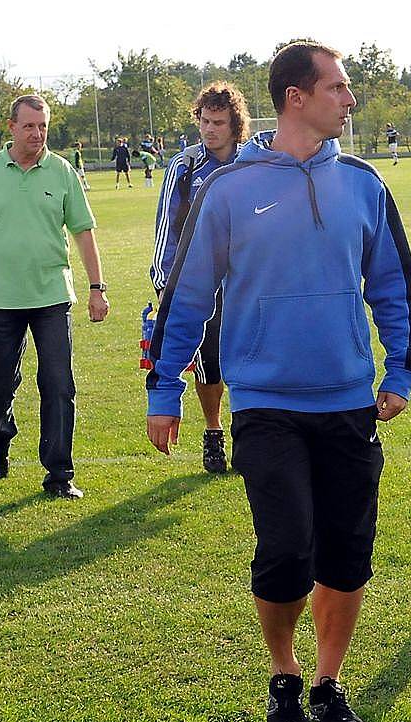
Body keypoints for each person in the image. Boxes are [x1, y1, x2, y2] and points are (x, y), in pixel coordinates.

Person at [146, 42, 411, 722]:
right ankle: (284, 676)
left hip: (349, 403)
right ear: (296, 97)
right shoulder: (229, 188)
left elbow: (393, 287)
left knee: (347, 553)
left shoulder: (362, 184)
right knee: (286, 549)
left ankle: (328, 684)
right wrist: (164, 386)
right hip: (265, 403)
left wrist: (399, 373)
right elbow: (188, 294)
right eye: (339, 87)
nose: (350, 100)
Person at [0, 94, 110, 499]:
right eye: (29, 126)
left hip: (52, 296)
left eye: (42, 126)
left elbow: (83, 232)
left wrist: (97, 288)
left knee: (59, 384)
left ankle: (59, 474)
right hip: (2, 299)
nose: (37, 133)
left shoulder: (61, 172)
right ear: (11, 127)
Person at [150, 82, 251, 473]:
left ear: (234, 125)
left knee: (246, 360)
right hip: (199, 286)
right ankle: (214, 432)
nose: (209, 130)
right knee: (208, 363)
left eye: (218, 122)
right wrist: (165, 284)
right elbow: (167, 228)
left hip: (246, 284)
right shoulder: (185, 165)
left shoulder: (253, 164)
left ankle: (247, 432)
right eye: (205, 121)